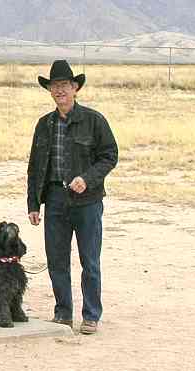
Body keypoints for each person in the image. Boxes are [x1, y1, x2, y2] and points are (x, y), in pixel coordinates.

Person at [26, 60, 118, 334]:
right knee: (57, 260)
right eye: (55, 86)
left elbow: (109, 156)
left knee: (89, 260)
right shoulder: (44, 125)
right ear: (50, 90)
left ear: (75, 88)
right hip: (54, 199)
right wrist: (33, 203)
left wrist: (86, 179)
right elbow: (34, 167)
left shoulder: (94, 120)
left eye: (65, 85)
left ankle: (91, 315)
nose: (60, 91)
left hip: (87, 202)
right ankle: (63, 312)